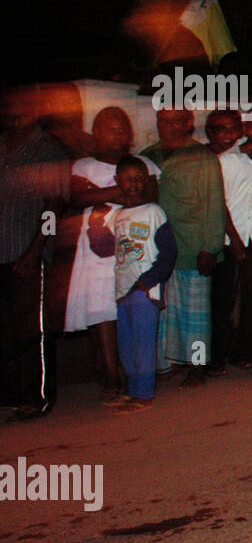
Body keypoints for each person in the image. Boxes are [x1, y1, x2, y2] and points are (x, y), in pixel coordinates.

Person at [65, 107, 160, 402]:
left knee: (129, 305)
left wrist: (102, 194)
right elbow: (78, 197)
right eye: (110, 129)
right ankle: (110, 375)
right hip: (95, 248)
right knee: (101, 309)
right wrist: (121, 193)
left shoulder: (144, 163)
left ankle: (132, 371)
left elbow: (150, 197)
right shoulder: (84, 165)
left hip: (133, 245)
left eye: (122, 130)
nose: (117, 135)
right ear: (96, 133)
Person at [141, 107, 225, 389]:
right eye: (164, 120)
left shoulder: (202, 157)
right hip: (157, 250)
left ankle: (197, 366)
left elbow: (214, 205)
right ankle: (167, 364)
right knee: (164, 313)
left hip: (193, 246)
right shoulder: (147, 155)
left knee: (196, 314)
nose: (170, 126)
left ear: (189, 123)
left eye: (177, 120)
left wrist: (211, 248)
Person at [86, 157, 176, 414]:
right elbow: (105, 250)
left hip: (145, 290)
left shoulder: (154, 212)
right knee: (126, 346)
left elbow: (168, 253)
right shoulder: (118, 215)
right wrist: (95, 226)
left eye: (139, 178)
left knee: (143, 344)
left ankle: (144, 393)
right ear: (118, 182)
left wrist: (146, 282)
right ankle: (134, 388)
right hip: (122, 290)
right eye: (127, 179)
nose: (133, 184)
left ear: (146, 180)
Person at [0, 90, 70, 422]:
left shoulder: (47, 149)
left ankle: (36, 396)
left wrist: (36, 250)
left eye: (20, 109)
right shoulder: (2, 145)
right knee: (5, 329)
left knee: (31, 329)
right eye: (8, 109)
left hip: (27, 254)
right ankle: (9, 394)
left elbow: (54, 206)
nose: (14, 115)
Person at [209, 110, 252, 371]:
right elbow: (218, 202)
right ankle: (216, 357)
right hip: (228, 236)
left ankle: (244, 352)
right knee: (222, 300)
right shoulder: (225, 160)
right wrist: (234, 238)